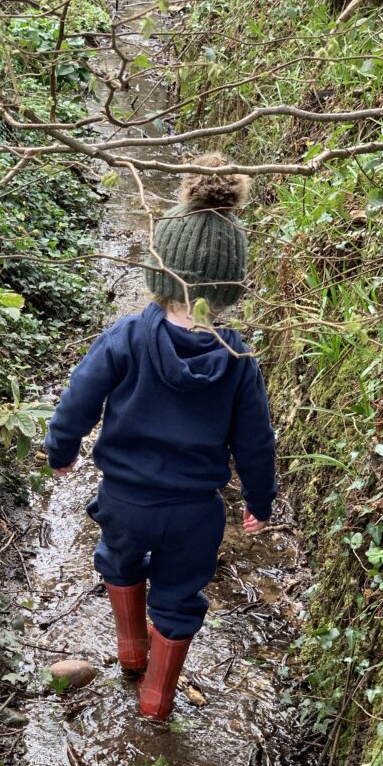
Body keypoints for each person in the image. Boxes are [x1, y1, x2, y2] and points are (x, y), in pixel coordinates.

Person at [45, 153, 276, 721]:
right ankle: (156, 698)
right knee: (179, 593)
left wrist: (63, 448)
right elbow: (256, 440)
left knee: (119, 560)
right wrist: (258, 499)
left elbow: (80, 396)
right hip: (194, 510)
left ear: (158, 267)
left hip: (125, 497)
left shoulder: (126, 336)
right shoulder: (238, 357)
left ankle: (129, 650)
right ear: (229, 286)